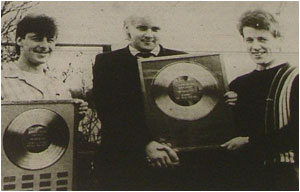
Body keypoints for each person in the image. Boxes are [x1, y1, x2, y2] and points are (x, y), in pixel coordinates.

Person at [92, 14, 186, 190]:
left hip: (171, 159)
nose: (149, 34)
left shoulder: (180, 59)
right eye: (142, 28)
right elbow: (109, 113)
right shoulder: (107, 63)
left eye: (155, 29)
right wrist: (145, 144)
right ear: (127, 29)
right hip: (124, 161)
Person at [222, 10, 298, 190]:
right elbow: (229, 132)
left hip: (281, 175)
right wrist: (226, 109)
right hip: (243, 174)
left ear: (278, 40)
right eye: (249, 40)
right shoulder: (238, 84)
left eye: (262, 39)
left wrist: (250, 141)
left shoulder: (295, 78)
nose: (255, 46)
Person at [1, 14, 88, 116]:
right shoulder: (3, 80)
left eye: (50, 40)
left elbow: (60, 126)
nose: (44, 46)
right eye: (37, 39)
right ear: (19, 41)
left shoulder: (58, 84)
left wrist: (74, 115)